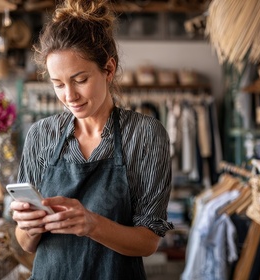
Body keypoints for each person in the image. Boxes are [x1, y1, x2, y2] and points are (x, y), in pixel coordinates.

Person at [10, 0, 173, 279]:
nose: (69, 96)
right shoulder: (41, 135)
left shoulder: (144, 134)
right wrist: (28, 225)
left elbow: (149, 241)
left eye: (80, 79)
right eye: (58, 84)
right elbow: (26, 245)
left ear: (108, 69)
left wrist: (91, 224)